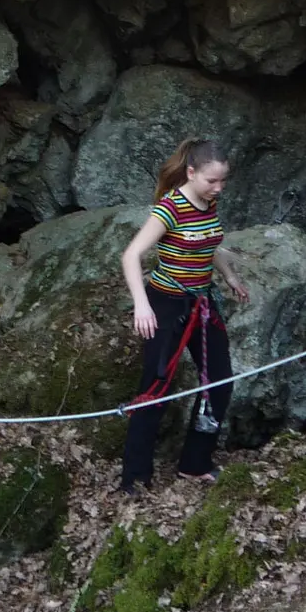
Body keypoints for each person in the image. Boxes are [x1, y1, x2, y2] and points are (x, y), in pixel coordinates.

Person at [118, 139, 252, 493]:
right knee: (156, 388)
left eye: (223, 181)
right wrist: (141, 305)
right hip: (165, 302)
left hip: (201, 303)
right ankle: (135, 477)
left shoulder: (209, 202)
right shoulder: (169, 208)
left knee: (220, 382)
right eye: (211, 180)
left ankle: (195, 463)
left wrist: (230, 276)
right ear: (191, 173)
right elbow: (131, 256)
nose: (218, 188)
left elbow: (208, 242)